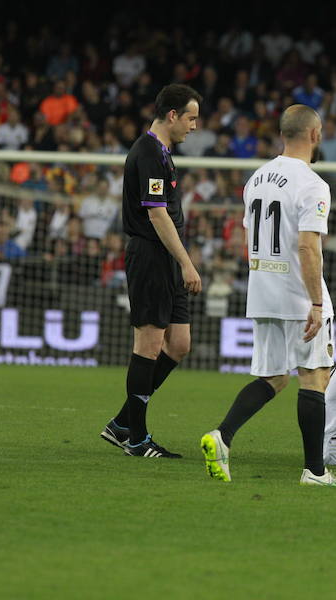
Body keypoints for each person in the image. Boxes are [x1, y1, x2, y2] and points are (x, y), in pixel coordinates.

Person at [200, 104, 336, 487]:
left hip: (262, 290)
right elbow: (307, 248)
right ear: (315, 134)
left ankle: (222, 435)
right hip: (298, 294)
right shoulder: (313, 184)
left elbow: (249, 241)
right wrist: (316, 302)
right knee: (314, 376)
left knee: (274, 377)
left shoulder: (257, 178)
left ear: (283, 134)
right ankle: (315, 472)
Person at [100, 84, 202, 458]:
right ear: (172, 115)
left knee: (179, 344)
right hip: (152, 255)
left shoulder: (163, 153)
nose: (194, 126)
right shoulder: (148, 153)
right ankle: (137, 440)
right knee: (148, 343)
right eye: (191, 117)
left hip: (167, 258)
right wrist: (186, 262)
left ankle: (123, 422)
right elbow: (156, 214)